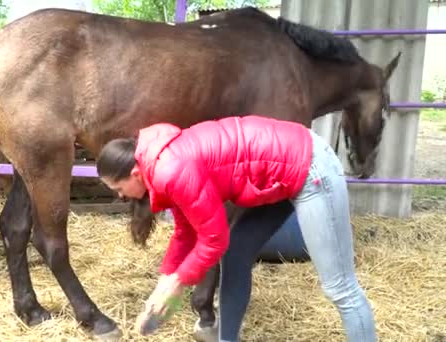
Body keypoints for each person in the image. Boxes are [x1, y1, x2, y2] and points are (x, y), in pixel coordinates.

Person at [96, 115, 376, 341]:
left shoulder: (171, 169)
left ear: (134, 173)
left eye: (118, 188)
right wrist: (164, 280)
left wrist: (178, 283)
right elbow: (186, 231)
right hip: (276, 175)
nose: (120, 196)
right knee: (236, 252)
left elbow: (214, 239)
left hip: (309, 168)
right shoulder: (159, 162)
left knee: (340, 287)